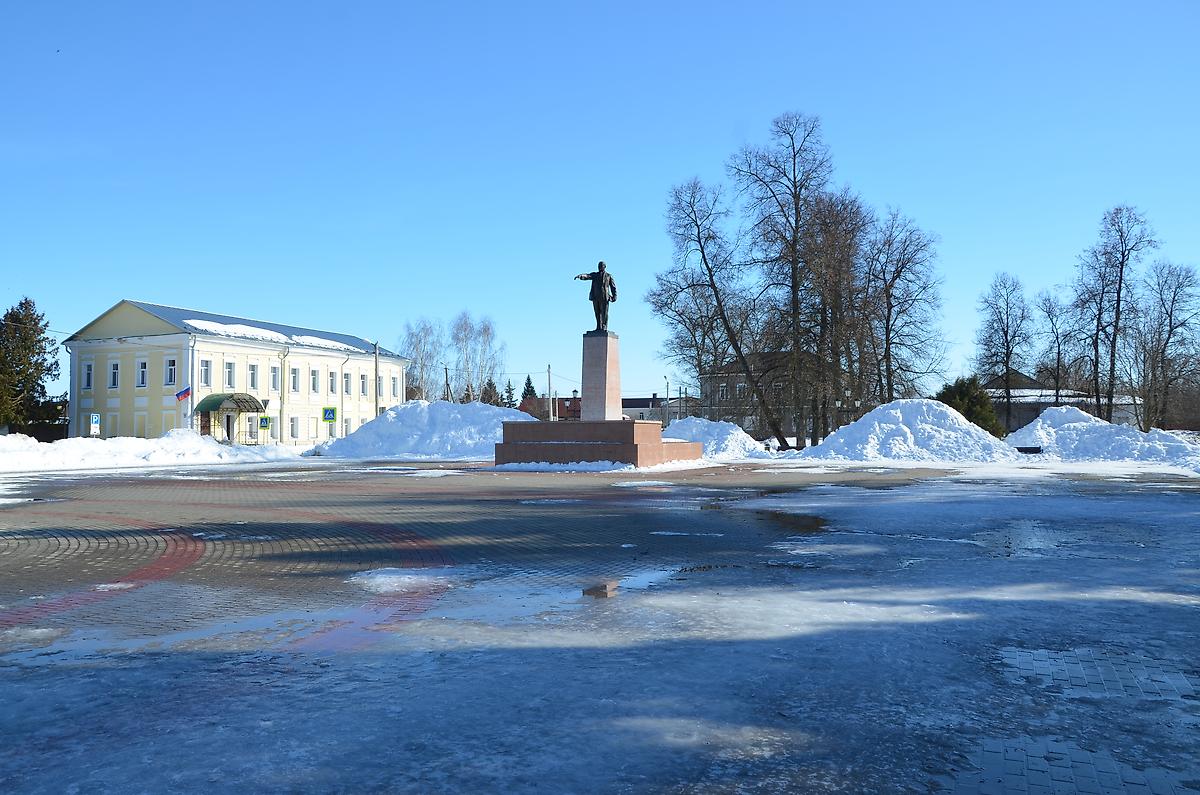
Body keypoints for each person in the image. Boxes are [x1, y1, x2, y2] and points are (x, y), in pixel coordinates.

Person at [574, 261, 618, 332]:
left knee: (604, 313)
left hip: (605, 297)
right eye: (599, 266)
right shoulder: (595, 275)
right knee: (597, 313)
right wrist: (580, 276)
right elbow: (588, 276)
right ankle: (598, 326)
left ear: (604, 267)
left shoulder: (609, 276)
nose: (599, 267)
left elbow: (613, 287)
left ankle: (604, 326)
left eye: (601, 265)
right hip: (595, 297)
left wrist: (614, 296)